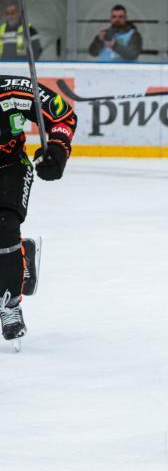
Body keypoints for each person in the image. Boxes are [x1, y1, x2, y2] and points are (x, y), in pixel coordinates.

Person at [0, 76, 76, 349]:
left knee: (4, 225)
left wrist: (56, 149)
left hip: (8, 167)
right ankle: (19, 256)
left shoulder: (11, 90)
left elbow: (62, 115)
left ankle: (10, 304)